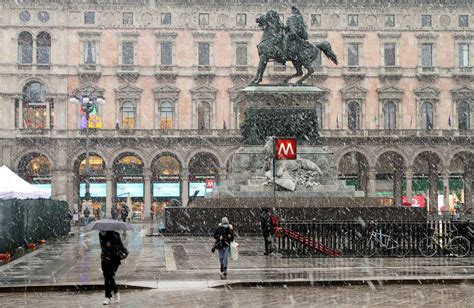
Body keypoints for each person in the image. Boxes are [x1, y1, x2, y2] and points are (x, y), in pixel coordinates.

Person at [99, 230, 127, 305]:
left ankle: (113, 294)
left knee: (110, 277)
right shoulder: (100, 234)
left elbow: (120, 246)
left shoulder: (115, 234)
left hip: (114, 259)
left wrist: (111, 245)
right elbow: (103, 247)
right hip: (104, 259)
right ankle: (108, 297)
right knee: (106, 277)